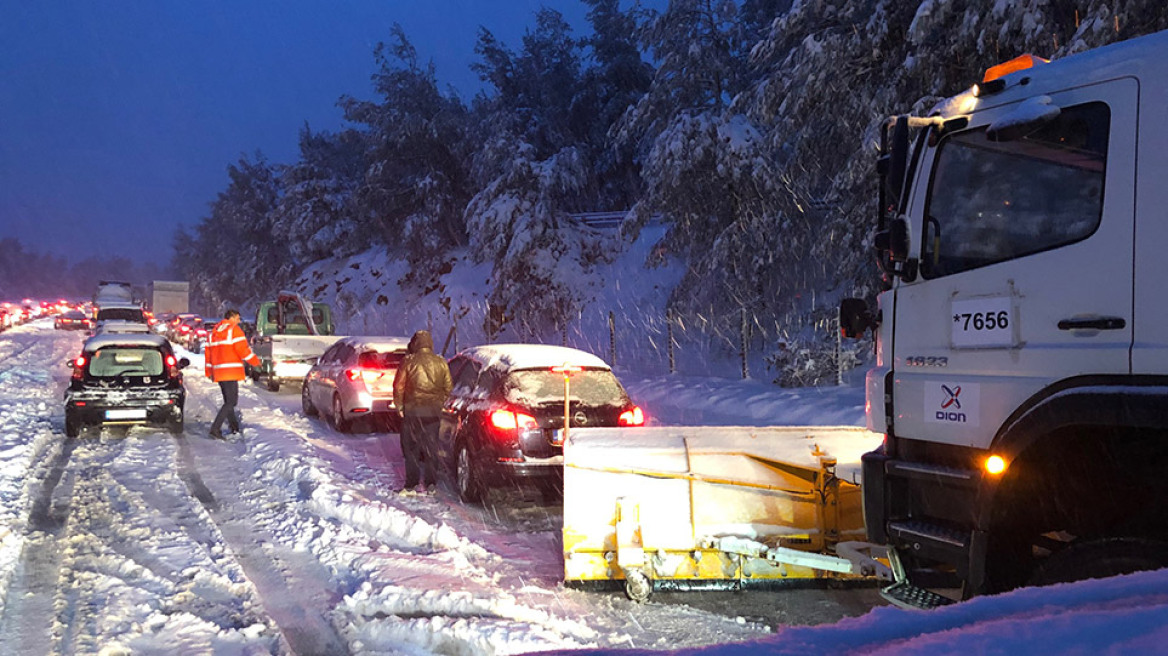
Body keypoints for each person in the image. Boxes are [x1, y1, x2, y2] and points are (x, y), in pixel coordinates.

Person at [392, 329, 452, 493]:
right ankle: (431, 483)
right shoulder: (441, 362)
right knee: (431, 448)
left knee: (411, 449)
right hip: (433, 413)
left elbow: (399, 386)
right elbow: (448, 387)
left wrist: (400, 406)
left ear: (415, 344)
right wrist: (439, 402)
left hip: (413, 412)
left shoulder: (408, 361)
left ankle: (411, 484)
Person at [205, 309, 261, 439]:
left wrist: (209, 371)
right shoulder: (234, 330)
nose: (239, 321)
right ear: (232, 317)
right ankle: (215, 429)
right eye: (238, 318)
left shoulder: (214, 333)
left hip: (219, 372)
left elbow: (208, 354)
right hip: (230, 371)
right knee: (231, 402)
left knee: (228, 401)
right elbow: (243, 350)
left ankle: (234, 426)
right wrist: (255, 362)